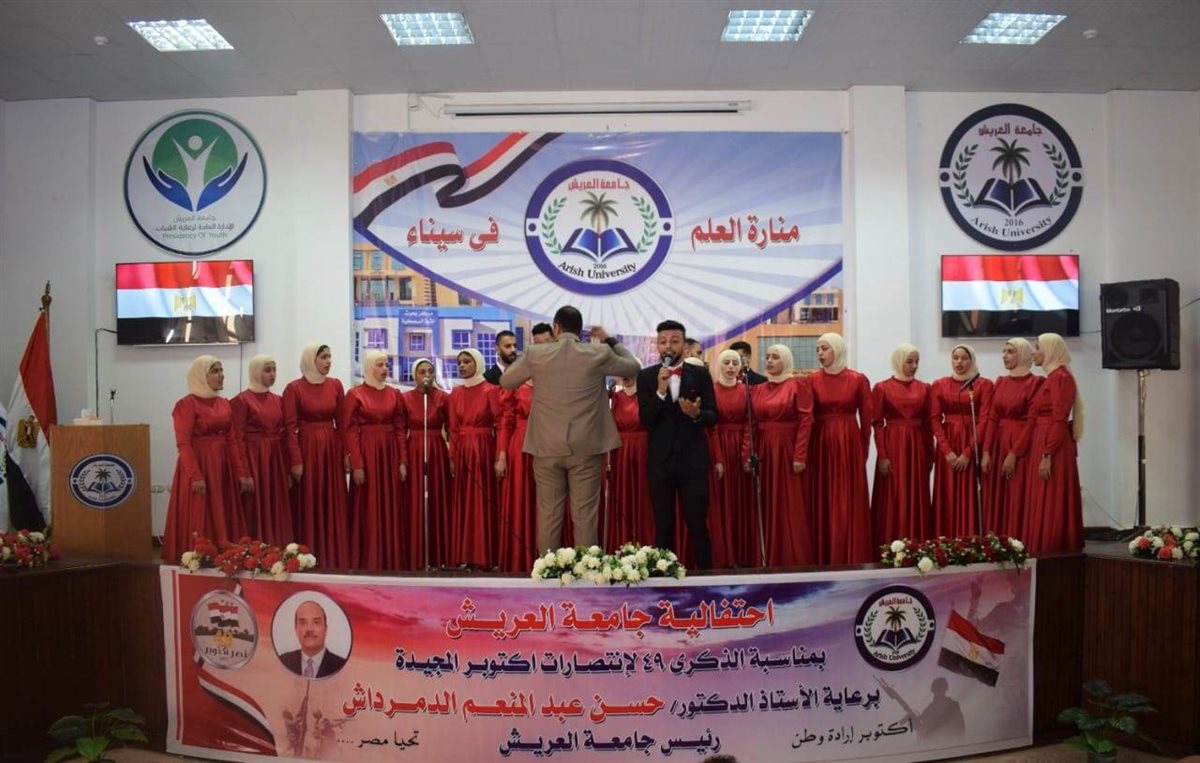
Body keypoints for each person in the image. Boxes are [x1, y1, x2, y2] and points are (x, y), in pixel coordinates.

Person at [501, 306, 640, 553]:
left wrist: (532, 363)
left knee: (548, 515)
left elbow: (506, 381)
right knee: (585, 516)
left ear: (556, 328)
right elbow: (633, 367)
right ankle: (586, 571)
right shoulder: (598, 353)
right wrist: (609, 340)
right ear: (580, 330)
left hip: (546, 446)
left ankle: (547, 570)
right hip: (587, 446)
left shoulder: (536, 354)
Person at [637, 320, 716, 569]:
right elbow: (646, 419)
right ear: (657, 346)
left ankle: (705, 579)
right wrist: (660, 392)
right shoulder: (646, 377)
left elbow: (713, 414)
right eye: (663, 342)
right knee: (663, 526)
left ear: (684, 345)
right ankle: (664, 580)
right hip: (660, 463)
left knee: (698, 524)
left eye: (674, 341)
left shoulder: (700, 374)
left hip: (693, 461)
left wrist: (696, 414)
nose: (668, 346)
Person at [163, 356, 248, 561]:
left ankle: (225, 555)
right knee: (200, 511)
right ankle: (199, 557)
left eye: (221, 370)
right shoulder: (187, 404)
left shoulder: (224, 404)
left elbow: (232, 441)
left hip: (222, 465)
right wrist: (195, 475)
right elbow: (183, 443)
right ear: (201, 375)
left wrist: (241, 472)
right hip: (199, 464)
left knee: (222, 509)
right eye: (215, 371)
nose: (221, 375)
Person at [744, 344, 814, 567]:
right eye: (767, 357)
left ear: (786, 360)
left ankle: (791, 557)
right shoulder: (757, 389)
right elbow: (751, 424)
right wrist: (748, 454)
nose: (770, 361)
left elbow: (806, 421)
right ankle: (766, 556)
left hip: (787, 449)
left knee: (789, 501)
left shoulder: (798, 385)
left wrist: (800, 455)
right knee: (765, 500)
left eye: (775, 357)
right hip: (764, 450)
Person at [808, 333, 873, 564]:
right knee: (823, 496)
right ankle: (824, 555)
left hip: (849, 443)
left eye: (824, 348)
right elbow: (807, 417)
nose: (820, 353)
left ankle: (851, 554)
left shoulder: (858, 379)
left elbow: (867, 420)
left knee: (848, 497)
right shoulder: (812, 380)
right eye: (818, 349)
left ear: (837, 349)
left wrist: (862, 451)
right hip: (820, 443)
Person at [283, 344, 349, 569]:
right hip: (308, 448)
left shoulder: (335, 385)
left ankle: (335, 557)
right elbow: (289, 428)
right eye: (323, 357)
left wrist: (345, 453)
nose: (328, 361)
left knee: (332, 501)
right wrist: (296, 460)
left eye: (330, 356)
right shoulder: (294, 388)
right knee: (310, 501)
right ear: (311, 360)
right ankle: (308, 556)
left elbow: (342, 423)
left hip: (331, 449)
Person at [343, 350, 408, 571]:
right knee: (368, 504)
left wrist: (402, 460)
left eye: (386, 364)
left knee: (390, 504)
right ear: (369, 367)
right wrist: (357, 464)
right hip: (367, 453)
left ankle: (391, 559)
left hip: (389, 453)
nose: (385, 368)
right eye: (380, 365)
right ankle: (368, 559)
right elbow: (350, 431)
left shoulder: (394, 394)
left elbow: (400, 429)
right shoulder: (355, 394)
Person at [1023, 333, 1084, 554]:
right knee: (1045, 496)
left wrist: (1047, 454)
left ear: (1050, 351)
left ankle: (1051, 548)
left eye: (1037, 348)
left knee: (1052, 497)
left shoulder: (1060, 378)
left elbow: (1059, 419)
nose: (1033, 352)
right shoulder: (1053, 378)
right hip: (1045, 442)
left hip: (1053, 445)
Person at [448, 348, 507, 568]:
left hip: (483, 449)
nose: (462, 366)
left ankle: (486, 556)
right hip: (462, 450)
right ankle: (466, 555)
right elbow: (453, 429)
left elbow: (501, 424)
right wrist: (452, 457)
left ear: (478, 363)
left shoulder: (491, 390)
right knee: (464, 501)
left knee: (483, 501)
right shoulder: (455, 393)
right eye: (459, 362)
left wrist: (500, 455)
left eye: (467, 361)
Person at [870, 344, 934, 545]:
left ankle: (917, 544)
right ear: (899, 361)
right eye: (909, 361)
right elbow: (877, 424)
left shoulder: (925, 388)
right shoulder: (882, 388)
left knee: (916, 495)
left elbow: (928, 425)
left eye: (917, 362)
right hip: (893, 446)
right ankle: (891, 545)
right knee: (893, 494)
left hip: (917, 447)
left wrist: (929, 454)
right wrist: (882, 455)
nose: (914, 366)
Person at [980, 338, 1042, 538]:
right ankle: (995, 541)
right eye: (1004, 351)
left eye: (1010, 351)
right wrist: (986, 451)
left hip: (1021, 446)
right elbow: (992, 418)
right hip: (998, 444)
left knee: (1017, 492)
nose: (1004, 356)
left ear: (1023, 354)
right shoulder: (1000, 382)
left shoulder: (1036, 383)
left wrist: (1014, 453)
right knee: (995, 494)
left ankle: (1017, 540)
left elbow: (1032, 422)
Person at [930, 344, 993, 538]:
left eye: (964, 358)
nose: (959, 362)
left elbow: (984, 420)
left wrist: (968, 452)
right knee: (947, 492)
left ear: (972, 360)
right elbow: (934, 419)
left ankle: (970, 539)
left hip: (971, 442)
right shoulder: (939, 384)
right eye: (955, 358)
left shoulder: (984, 385)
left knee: (971, 493)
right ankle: (944, 540)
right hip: (948, 444)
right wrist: (947, 450)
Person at [230, 354, 292, 545]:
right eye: (267, 370)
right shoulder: (241, 401)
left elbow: (284, 435)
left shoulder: (278, 400)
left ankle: (277, 548)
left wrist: (287, 468)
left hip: (275, 459)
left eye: (274, 370)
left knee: (275, 504)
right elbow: (237, 438)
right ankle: (255, 551)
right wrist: (244, 472)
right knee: (255, 505)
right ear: (256, 372)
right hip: (254, 459)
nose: (272, 374)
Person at [401, 358, 451, 569]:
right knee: (415, 501)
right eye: (422, 371)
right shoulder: (405, 398)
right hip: (414, 449)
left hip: (436, 450)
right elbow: (400, 430)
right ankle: (416, 555)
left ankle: (438, 555)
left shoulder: (443, 397)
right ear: (415, 375)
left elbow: (451, 428)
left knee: (437, 499)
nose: (426, 375)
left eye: (430, 371)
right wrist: (403, 459)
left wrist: (451, 456)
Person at [711, 349, 751, 568]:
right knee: (722, 501)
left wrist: (746, 453)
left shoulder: (747, 390)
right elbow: (712, 427)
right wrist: (718, 457)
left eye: (735, 363)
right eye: (726, 362)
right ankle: (724, 554)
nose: (730, 367)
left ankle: (743, 553)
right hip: (720, 447)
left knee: (742, 501)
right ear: (719, 365)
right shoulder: (712, 390)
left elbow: (749, 424)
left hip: (740, 450)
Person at [607, 373, 655, 548]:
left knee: (644, 495)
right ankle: (622, 542)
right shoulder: (614, 397)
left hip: (643, 449)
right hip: (620, 452)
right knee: (622, 495)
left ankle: (645, 542)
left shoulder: (646, 395)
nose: (626, 375)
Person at [498, 375, 538, 572]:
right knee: (520, 498)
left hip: (547, 444)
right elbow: (506, 423)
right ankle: (519, 558)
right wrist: (502, 455)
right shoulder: (515, 387)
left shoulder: (552, 383)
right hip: (520, 446)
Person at [278, 600, 347, 679]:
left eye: (316, 622)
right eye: (303, 623)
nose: (309, 629)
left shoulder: (342, 666)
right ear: (296, 629)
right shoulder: (283, 661)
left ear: (326, 629)